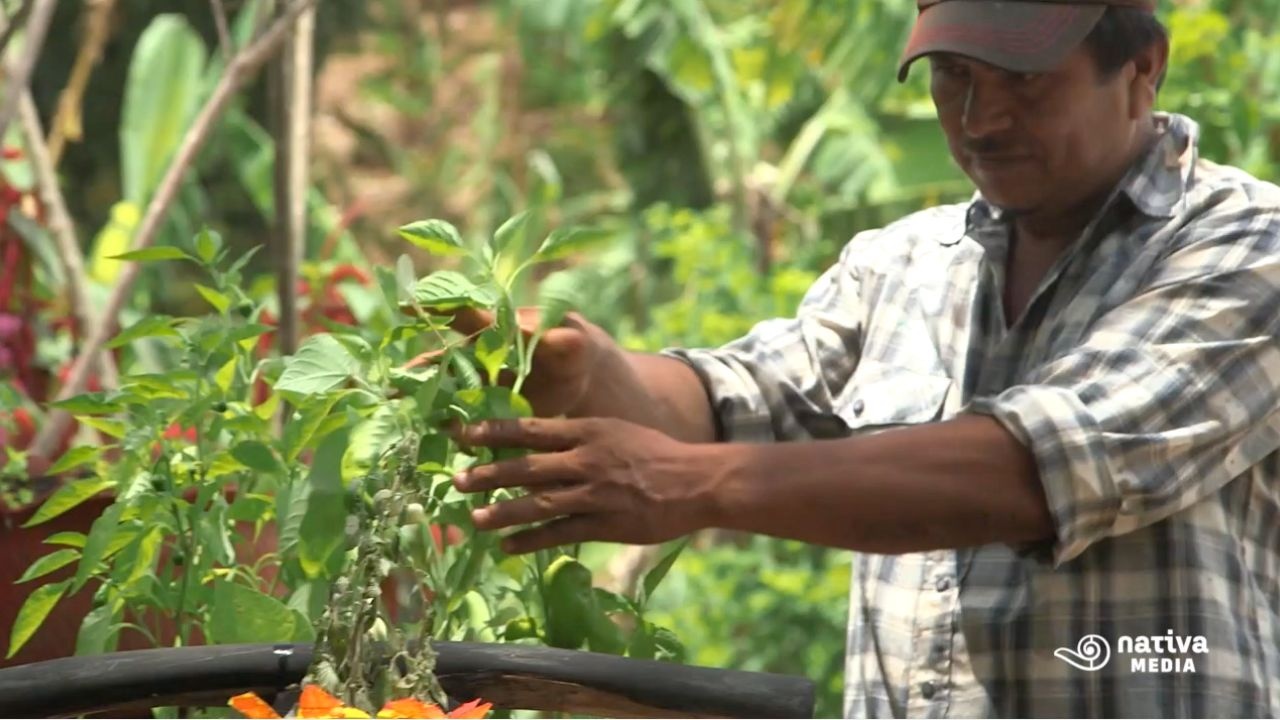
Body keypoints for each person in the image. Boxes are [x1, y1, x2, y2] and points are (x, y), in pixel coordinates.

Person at [444, 1, 1280, 717]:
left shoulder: (1245, 249)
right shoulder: (906, 262)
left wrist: (686, 484)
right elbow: (735, 402)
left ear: (1141, 67)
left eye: (1025, 80)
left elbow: (1028, 472)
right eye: (955, 76)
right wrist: (583, 369)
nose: (981, 120)